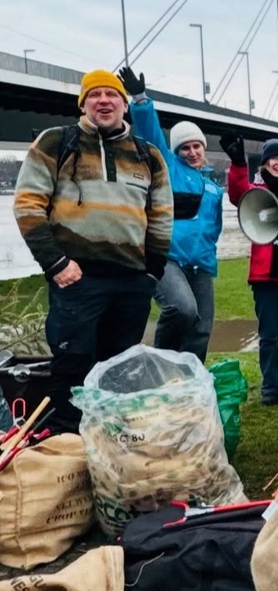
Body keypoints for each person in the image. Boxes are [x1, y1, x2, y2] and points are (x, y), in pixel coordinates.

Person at [13, 69, 172, 433]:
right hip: (77, 278)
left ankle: (113, 440)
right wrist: (56, 263)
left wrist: (152, 272)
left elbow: (162, 216)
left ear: (124, 105)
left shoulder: (147, 155)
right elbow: (27, 206)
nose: (104, 100)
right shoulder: (56, 142)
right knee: (73, 365)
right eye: (94, 95)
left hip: (132, 281)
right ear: (82, 104)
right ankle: (67, 443)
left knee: (120, 369)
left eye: (112, 94)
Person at [120, 67, 223, 362]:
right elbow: (151, 136)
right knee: (182, 309)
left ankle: (191, 376)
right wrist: (140, 99)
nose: (192, 152)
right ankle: (162, 364)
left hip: (201, 264)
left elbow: (213, 228)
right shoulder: (167, 167)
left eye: (196, 146)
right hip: (168, 258)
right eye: (185, 147)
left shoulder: (213, 187)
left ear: (203, 148)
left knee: (202, 327)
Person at [224, 137, 278, 406]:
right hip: (266, 277)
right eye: (273, 158)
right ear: (265, 164)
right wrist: (239, 164)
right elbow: (237, 194)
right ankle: (271, 384)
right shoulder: (256, 193)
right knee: (268, 334)